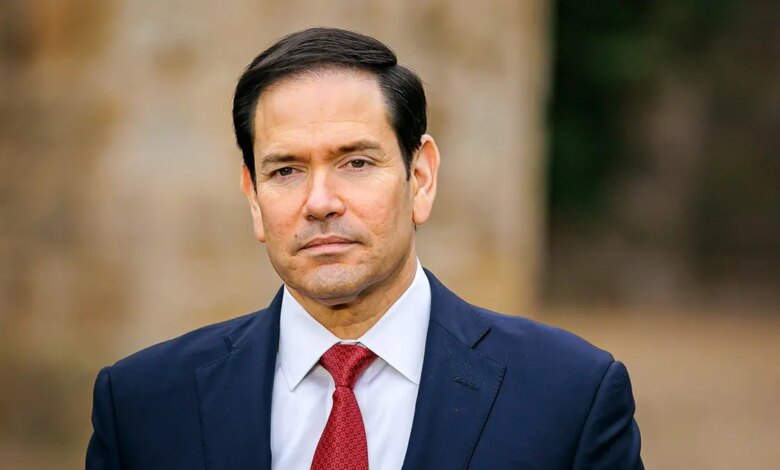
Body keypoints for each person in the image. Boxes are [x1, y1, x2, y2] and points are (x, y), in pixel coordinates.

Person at [86, 27, 643, 470]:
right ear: (253, 197)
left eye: (355, 162)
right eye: (286, 170)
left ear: (420, 178)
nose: (320, 202)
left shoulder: (570, 397)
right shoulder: (142, 405)